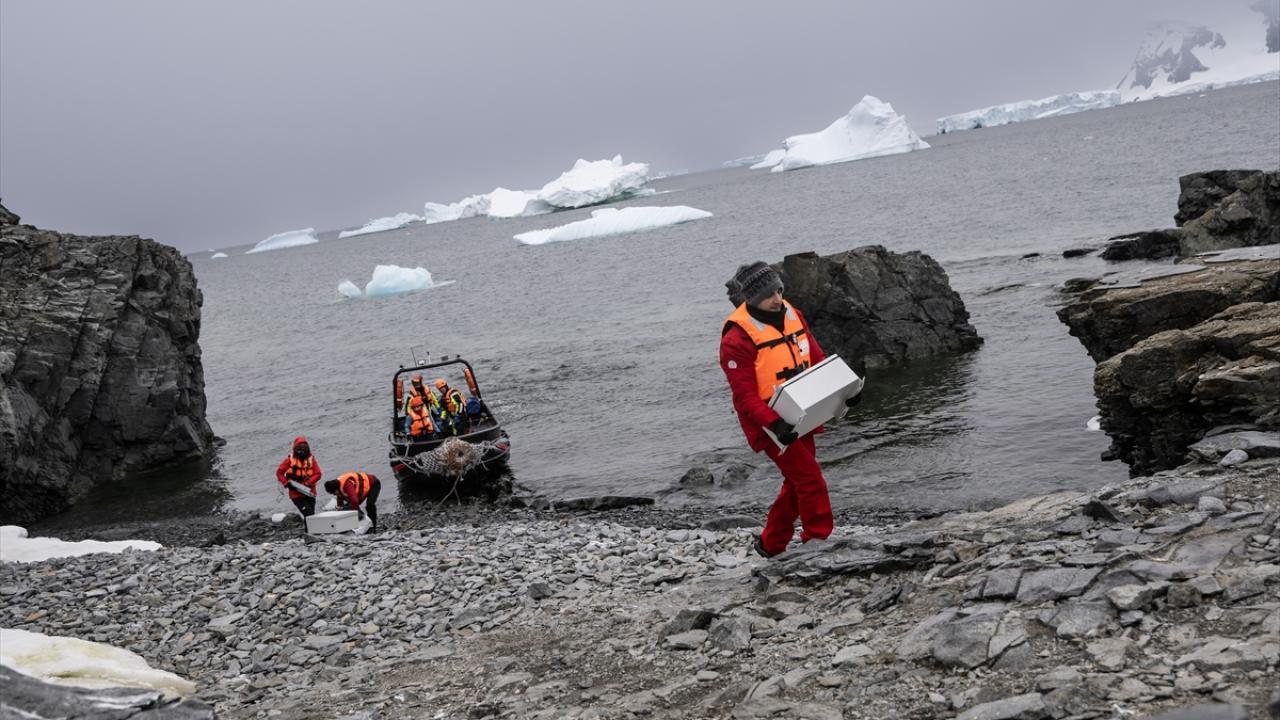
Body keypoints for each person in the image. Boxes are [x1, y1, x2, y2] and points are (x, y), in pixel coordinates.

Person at [720, 261, 860, 558]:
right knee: (810, 479)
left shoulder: (792, 313)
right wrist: (774, 425)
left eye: (779, 290)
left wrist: (845, 392)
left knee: (798, 481)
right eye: (770, 294)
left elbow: (819, 360)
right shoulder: (736, 339)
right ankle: (817, 541)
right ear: (752, 298)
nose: (777, 298)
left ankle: (771, 543)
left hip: (802, 412)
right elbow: (745, 396)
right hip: (768, 424)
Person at [275, 436, 322, 517]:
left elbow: (318, 474)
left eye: (304, 448)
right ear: (295, 449)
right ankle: (313, 529)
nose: (302, 451)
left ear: (307, 449)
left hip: (309, 492)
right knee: (309, 515)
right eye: (299, 449)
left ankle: (310, 530)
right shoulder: (289, 460)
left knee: (311, 516)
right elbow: (279, 472)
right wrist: (286, 483)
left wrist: (308, 482)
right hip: (296, 494)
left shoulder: (311, 460)